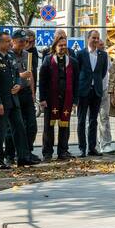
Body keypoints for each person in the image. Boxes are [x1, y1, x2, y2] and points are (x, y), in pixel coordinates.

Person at [0, 31, 32, 169]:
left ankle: (23, 158)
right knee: (0, 131)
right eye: (7, 41)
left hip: (13, 100)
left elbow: (16, 74)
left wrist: (18, 84)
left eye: (10, 40)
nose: (10, 43)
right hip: (1, 103)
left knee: (19, 128)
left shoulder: (10, 56)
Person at [37, 30, 80, 161]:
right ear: (55, 47)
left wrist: (75, 101)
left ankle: (63, 151)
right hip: (50, 100)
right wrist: (43, 99)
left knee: (64, 126)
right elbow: (42, 81)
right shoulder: (48, 60)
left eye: (64, 45)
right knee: (48, 127)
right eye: (60, 45)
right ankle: (47, 153)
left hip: (67, 99)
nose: (62, 48)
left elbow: (76, 82)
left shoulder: (73, 62)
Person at [7, 30, 41, 163]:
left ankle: (27, 152)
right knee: (13, 126)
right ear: (13, 41)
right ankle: (10, 155)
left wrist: (32, 92)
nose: (24, 44)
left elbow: (30, 74)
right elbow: (9, 74)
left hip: (26, 92)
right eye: (21, 41)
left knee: (31, 125)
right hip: (15, 93)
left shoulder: (28, 55)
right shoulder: (8, 56)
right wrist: (21, 76)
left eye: (26, 41)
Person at [75, 29, 108, 157]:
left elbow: (103, 72)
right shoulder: (80, 54)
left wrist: (96, 84)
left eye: (97, 38)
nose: (95, 40)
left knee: (93, 120)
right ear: (88, 38)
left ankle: (92, 148)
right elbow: (77, 72)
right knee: (81, 120)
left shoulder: (103, 55)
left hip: (96, 91)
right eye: (93, 38)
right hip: (83, 91)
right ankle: (82, 148)